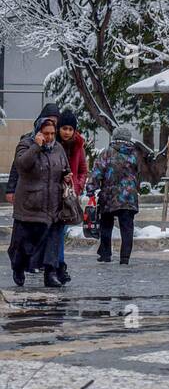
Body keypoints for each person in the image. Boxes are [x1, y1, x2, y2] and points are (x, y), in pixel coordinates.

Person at [86, 124, 167, 265]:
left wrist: (91, 189)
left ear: (114, 137)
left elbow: (97, 173)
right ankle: (125, 258)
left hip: (109, 196)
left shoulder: (106, 153)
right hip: (129, 197)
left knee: (106, 225)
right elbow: (139, 173)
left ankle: (106, 254)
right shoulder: (135, 154)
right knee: (127, 227)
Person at [8, 113, 72, 288]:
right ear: (38, 132)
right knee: (24, 243)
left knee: (52, 240)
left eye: (52, 133)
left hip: (53, 205)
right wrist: (36, 147)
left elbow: (64, 168)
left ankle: (50, 274)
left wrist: (66, 177)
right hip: (30, 205)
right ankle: (18, 267)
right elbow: (21, 165)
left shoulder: (58, 148)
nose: (50, 137)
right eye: (46, 133)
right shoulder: (25, 145)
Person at [55, 110, 88, 284]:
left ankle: (59, 265)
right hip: (52, 194)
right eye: (64, 128)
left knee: (61, 231)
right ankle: (55, 265)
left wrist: (78, 186)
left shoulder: (78, 146)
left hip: (68, 196)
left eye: (70, 129)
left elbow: (83, 170)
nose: (67, 132)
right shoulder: (53, 143)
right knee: (54, 232)